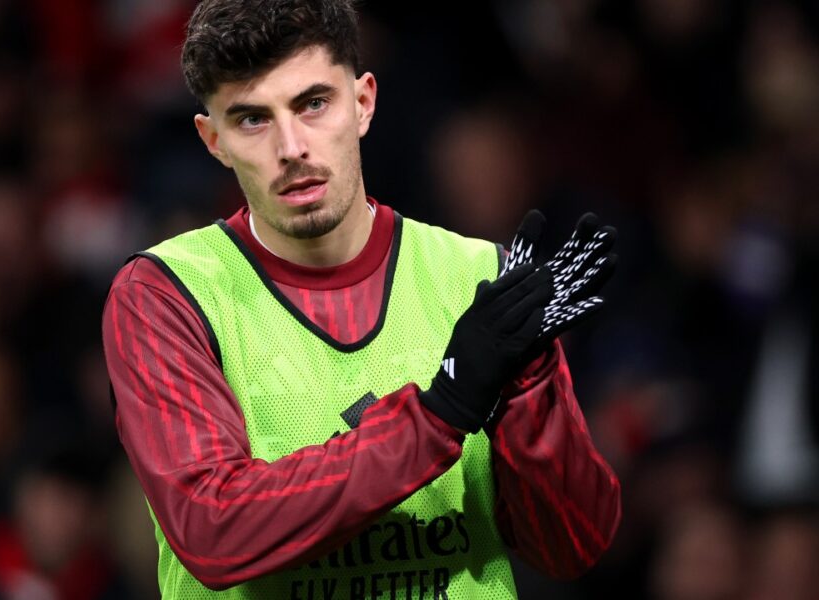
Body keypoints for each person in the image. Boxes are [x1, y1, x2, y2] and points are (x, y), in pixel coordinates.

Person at [102, 1, 621, 597]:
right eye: (252, 120)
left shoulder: (481, 276)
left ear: (364, 102)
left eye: (313, 103)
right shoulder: (166, 294)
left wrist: (528, 393)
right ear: (213, 139)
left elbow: (575, 546)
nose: (291, 146)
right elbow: (213, 530)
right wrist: (440, 414)